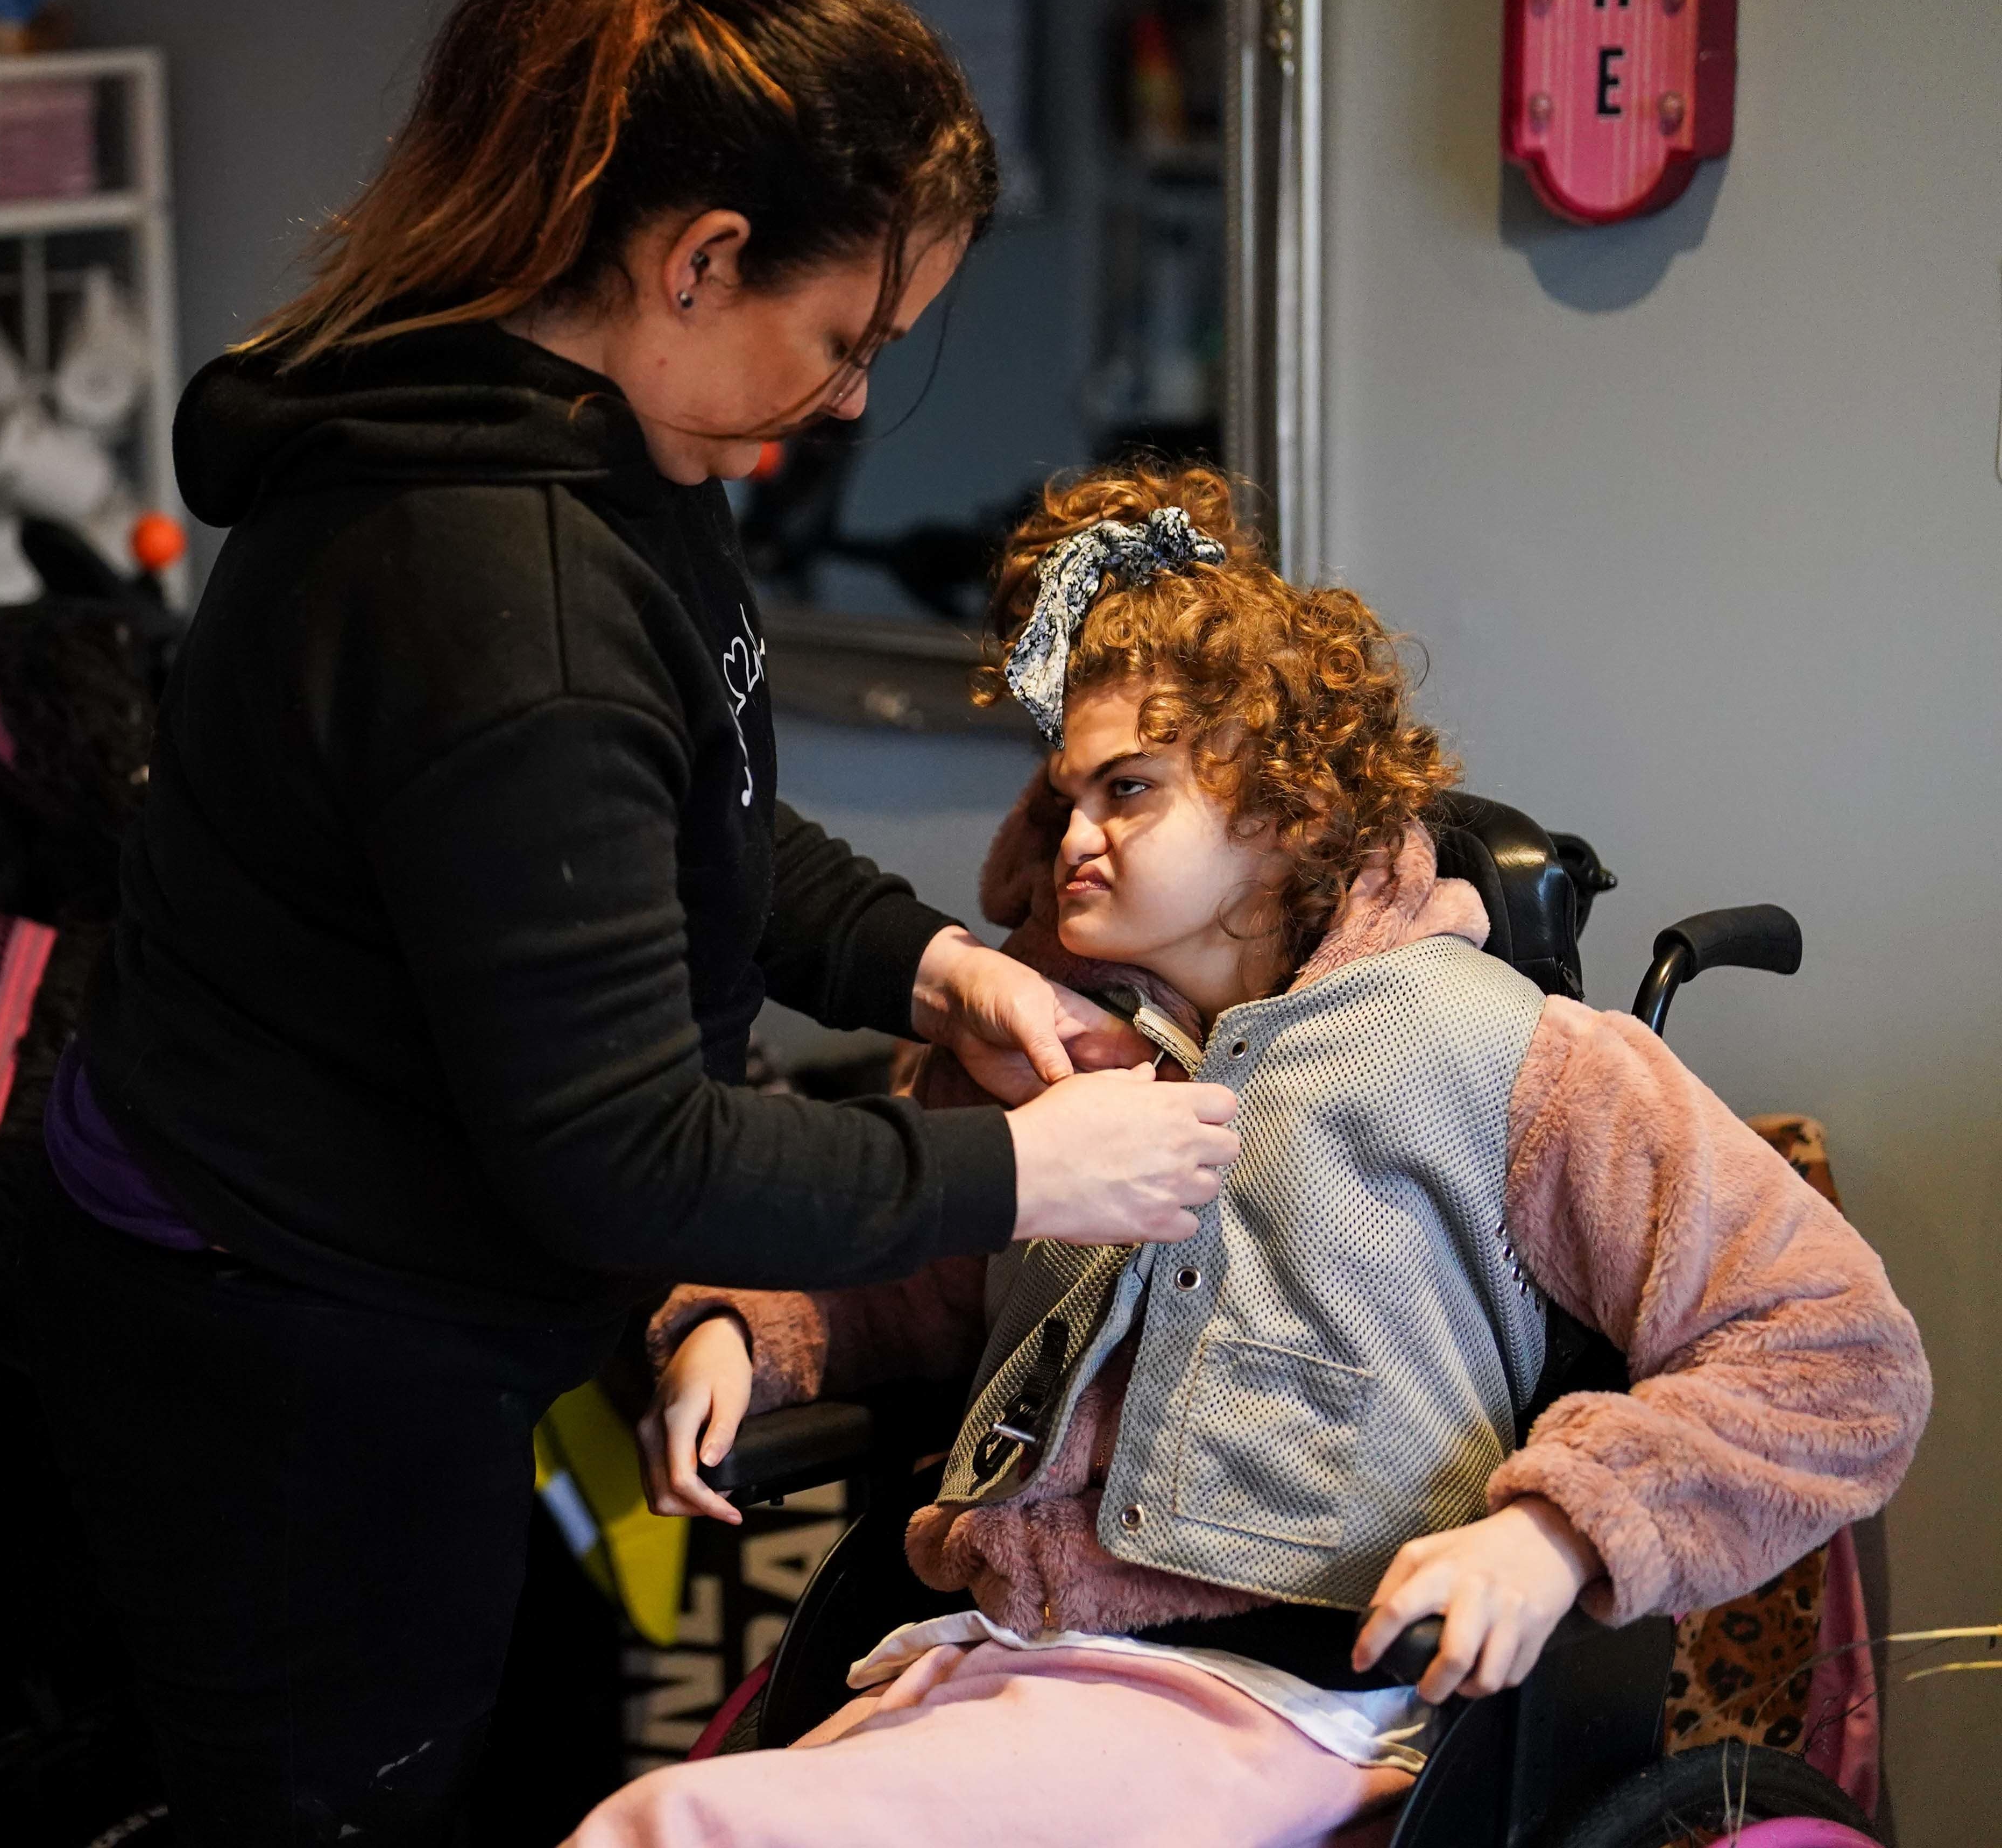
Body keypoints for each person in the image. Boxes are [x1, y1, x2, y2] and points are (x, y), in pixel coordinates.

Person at [15, 0, 1249, 1847]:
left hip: (378, 1271)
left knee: (549, 1725)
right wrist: (1029, 1170)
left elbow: (698, 827)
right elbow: (622, 1154)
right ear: (699, 260)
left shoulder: (600, 446)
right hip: (280, 1333)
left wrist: (930, 969)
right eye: (845, 338)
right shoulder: (503, 595)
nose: (851, 398)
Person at [599, 465, 1932, 1848]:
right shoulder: (1061, 1059)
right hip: (994, 1660)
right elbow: (923, 1292)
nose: (1073, 839)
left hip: (1280, 1701)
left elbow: (1835, 1349)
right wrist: (751, 1337)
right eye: (1065, 799)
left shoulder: (1498, 1052)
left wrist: (1555, 1531)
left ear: (1286, 807)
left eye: (1131, 790)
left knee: (689, 1830)